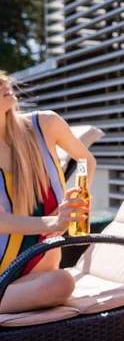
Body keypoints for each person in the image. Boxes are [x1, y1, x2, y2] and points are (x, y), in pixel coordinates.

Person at [0, 72, 97, 314]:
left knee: (61, 283)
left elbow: (86, 160)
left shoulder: (45, 125)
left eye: (1, 77)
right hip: (5, 277)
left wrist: (77, 198)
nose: (4, 82)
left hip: (37, 277)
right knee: (61, 283)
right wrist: (54, 221)